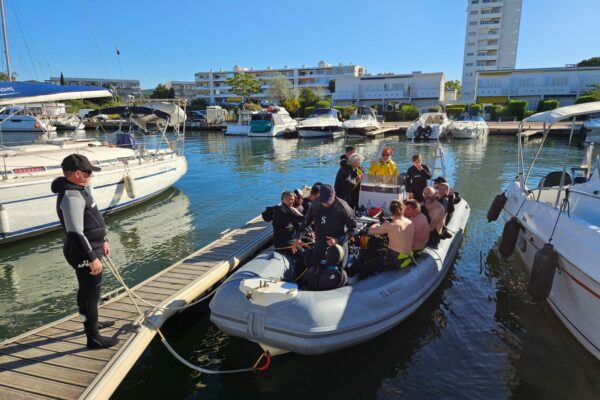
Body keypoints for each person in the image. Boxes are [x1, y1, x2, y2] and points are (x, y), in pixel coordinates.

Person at [50, 154, 117, 349]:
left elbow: (92, 219)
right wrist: (91, 258)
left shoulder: (80, 189)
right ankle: (93, 338)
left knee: (89, 291)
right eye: (88, 172)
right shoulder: (71, 196)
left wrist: (103, 240)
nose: (91, 176)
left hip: (93, 248)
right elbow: (75, 233)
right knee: (90, 294)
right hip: (82, 252)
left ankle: (92, 322)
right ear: (77, 174)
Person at [294, 184, 359, 268]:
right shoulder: (315, 204)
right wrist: (298, 237)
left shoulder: (343, 208)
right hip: (320, 242)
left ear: (334, 195)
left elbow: (354, 228)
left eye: (328, 201)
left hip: (337, 245)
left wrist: (338, 240)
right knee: (314, 267)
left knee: (337, 270)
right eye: (323, 201)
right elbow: (306, 222)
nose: (325, 204)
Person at [347, 200, 415, 281]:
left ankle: (363, 284)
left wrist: (376, 224)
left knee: (364, 266)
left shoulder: (392, 225)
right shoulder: (410, 222)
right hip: (408, 257)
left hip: (396, 260)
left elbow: (369, 231)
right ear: (403, 209)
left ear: (391, 211)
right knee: (380, 250)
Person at [272, 190, 306, 280]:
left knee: (309, 244)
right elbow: (302, 219)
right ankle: (299, 277)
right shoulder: (281, 210)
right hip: (283, 243)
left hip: (291, 239)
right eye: (290, 199)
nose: (292, 201)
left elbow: (300, 222)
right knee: (305, 254)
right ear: (283, 200)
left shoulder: (289, 209)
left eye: (293, 199)